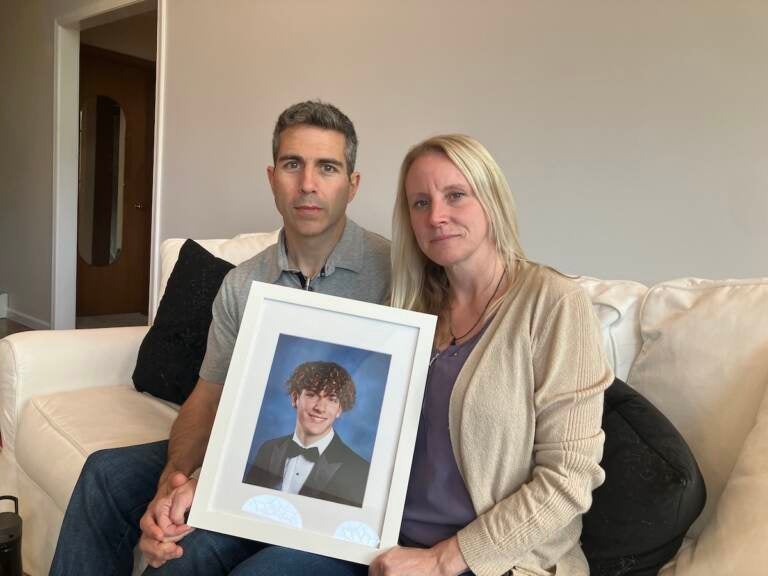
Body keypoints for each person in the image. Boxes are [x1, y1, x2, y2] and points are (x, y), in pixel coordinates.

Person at [229, 136, 613, 576]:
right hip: (380, 540)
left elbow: (570, 478)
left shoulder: (554, 304)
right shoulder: (407, 306)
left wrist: (440, 561)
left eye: (455, 196)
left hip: (492, 560)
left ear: (491, 200)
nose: (437, 216)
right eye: (420, 202)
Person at [49, 100, 390, 576]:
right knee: (105, 475)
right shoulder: (243, 282)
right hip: (244, 451)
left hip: (339, 487)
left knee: (199, 552)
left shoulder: (396, 274)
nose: (308, 184)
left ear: (352, 185)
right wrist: (175, 478)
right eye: (293, 165)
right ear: (272, 178)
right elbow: (207, 396)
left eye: (327, 167)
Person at [243, 360, 370, 508]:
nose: (320, 408)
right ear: (295, 398)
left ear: (340, 409)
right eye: (312, 395)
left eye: (332, 399)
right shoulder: (268, 449)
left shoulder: (359, 470)